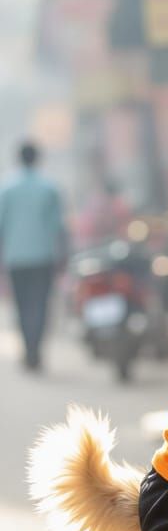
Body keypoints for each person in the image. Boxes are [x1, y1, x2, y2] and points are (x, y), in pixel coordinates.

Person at [0, 141, 68, 371]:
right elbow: (58, 226)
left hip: (15, 258)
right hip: (43, 256)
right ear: (37, 159)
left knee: (21, 306)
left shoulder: (7, 189)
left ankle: (28, 350)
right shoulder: (49, 188)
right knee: (39, 305)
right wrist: (63, 256)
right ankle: (35, 351)